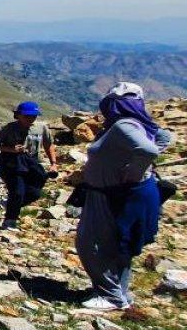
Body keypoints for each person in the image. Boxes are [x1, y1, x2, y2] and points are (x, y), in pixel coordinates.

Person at [75, 83, 175, 311]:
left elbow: (149, 150)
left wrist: (135, 170)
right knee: (120, 244)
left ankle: (110, 296)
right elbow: (163, 137)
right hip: (125, 193)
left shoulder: (122, 126)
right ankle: (119, 293)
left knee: (88, 242)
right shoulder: (138, 123)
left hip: (111, 194)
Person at [0, 101, 58, 229]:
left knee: (35, 193)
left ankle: (10, 204)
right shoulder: (9, 128)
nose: (31, 119)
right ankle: (10, 220)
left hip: (32, 163)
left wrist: (53, 163)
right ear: (18, 115)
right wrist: (12, 149)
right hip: (12, 163)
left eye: (33, 116)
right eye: (27, 116)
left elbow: (48, 145)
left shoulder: (41, 127)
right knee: (18, 191)